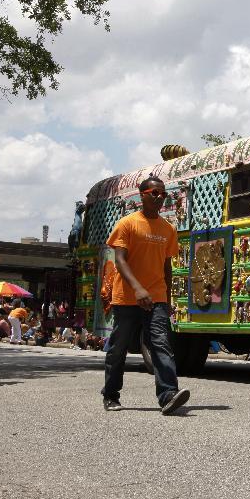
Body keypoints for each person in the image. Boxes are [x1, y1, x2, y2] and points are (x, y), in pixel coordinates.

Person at [101, 175, 190, 415]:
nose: (160, 198)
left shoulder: (168, 229)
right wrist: (138, 288)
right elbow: (119, 260)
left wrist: (168, 300)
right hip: (127, 298)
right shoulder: (127, 224)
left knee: (161, 344)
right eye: (154, 193)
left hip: (157, 298)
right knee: (118, 347)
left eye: (163, 194)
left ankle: (168, 394)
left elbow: (167, 267)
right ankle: (111, 394)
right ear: (142, 195)